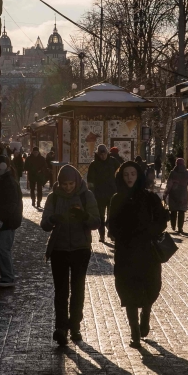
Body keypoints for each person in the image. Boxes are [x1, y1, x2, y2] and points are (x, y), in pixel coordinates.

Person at [107, 161, 169, 348]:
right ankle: (134, 332)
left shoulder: (150, 198)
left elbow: (162, 220)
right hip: (126, 253)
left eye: (132, 174)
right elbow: (111, 224)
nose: (129, 178)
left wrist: (150, 231)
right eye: (126, 174)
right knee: (128, 291)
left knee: (151, 287)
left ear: (138, 175)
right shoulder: (117, 199)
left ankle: (146, 313)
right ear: (121, 176)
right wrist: (120, 233)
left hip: (148, 253)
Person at [41, 165, 101, 345]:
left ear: (76, 181)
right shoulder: (53, 197)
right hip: (58, 250)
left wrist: (84, 216)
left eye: (70, 184)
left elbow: (96, 222)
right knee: (61, 291)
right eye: (64, 184)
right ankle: (61, 327)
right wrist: (52, 219)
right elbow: (44, 224)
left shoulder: (86, 196)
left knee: (77, 289)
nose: (67, 187)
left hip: (80, 249)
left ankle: (75, 326)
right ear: (59, 183)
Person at [0, 155, 23, 287]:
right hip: (5, 220)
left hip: (8, 222)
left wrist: (1, 219)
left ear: (3, 165)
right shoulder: (1, 179)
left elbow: (10, 204)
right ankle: (7, 276)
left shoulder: (7, 181)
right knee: (2, 248)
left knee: (3, 248)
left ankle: (8, 277)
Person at [86, 144, 119, 242]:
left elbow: (120, 172)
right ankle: (102, 235)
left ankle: (111, 233)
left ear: (107, 153)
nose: (103, 156)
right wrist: (91, 193)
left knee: (111, 215)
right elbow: (90, 180)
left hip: (112, 192)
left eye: (104, 154)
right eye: (101, 154)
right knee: (101, 216)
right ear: (98, 154)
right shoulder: (94, 164)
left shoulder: (113, 161)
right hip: (99, 194)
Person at [164, 158, 188, 235]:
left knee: (173, 211)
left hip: (173, 194)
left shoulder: (173, 173)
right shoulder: (187, 173)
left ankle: (173, 226)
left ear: (176, 164)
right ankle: (180, 228)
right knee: (181, 211)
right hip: (183, 195)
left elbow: (169, 185)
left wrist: (165, 193)